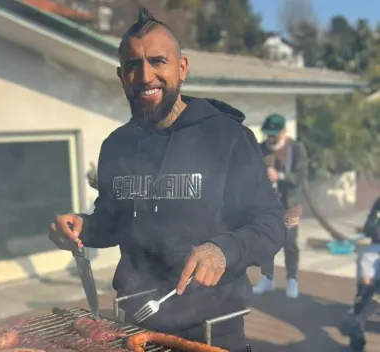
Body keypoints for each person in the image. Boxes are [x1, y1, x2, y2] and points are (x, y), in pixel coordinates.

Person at [49, 8, 286, 351]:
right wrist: (81, 227)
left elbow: (271, 223)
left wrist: (224, 249)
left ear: (182, 68)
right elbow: (113, 222)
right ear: (121, 75)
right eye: (133, 65)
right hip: (133, 327)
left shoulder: (227, 136)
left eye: (158, 61)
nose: (146, 76)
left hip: (211, 332)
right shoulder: (116, 146)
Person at [252, 114, 308, 299]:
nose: (271, 138)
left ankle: (292, 279)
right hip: (266, 204)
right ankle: (267, 278)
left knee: (290, 243)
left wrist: (280, 176)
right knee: (266, 242)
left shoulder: (296, 149)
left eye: (275, 134)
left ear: (284, 132)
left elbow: (300, 176)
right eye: (268, 134)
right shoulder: (260, 149)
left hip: (290, 205)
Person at [340, 197, 380, 351]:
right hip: (376, 248)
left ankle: (357, 320)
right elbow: (368, 227)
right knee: (366, 261)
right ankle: (356, 337)